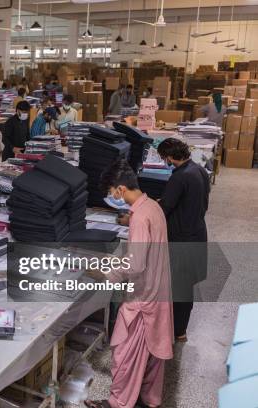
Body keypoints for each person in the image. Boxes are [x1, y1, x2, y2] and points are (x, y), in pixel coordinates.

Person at [85, 159, 173, 408]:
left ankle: (118, 403)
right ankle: (149, 400)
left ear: (120, 190)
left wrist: (105, 274)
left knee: (125, 354)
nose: (112, 198)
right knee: (151, 357)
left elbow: (135, 265)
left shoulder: (139, 217)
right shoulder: (152, 207)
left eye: (111, 193)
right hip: (159, 290)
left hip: (143, 299)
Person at [157, 138, 210, 342]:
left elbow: (165, 208)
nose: (165, 161)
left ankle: (175, 331)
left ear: (169, 157)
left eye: (164, 157)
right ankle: (180, 330)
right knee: (185, 286)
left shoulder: (179, 177)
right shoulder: (199, 170)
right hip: (197, 232)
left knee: (177, 287)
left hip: (180, 238)